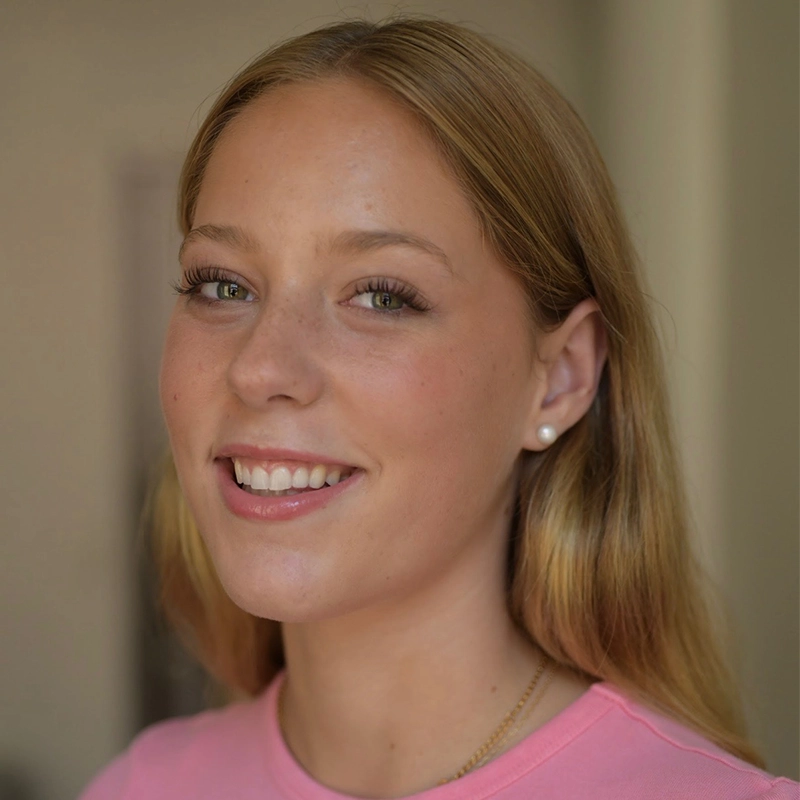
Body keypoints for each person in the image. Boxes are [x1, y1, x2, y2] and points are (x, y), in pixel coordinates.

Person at [80, 16, 798, 800]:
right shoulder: (141, 785)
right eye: (222, 285)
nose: (259, 368)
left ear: (558, 378)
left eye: (382, 295)